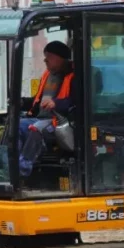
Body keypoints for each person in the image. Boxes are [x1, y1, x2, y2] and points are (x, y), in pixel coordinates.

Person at [17, 40, 75, 176]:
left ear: (59, 58)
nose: (45, 60)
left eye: (48, 57)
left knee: (37, 128)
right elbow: (37, 100)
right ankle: (10, 165)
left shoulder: (74, 77)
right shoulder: (47, 76)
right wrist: (21, 102)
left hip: (59, 121)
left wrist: (56, 103)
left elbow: (76, 101)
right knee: (17, 125)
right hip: (40, 118)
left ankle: (23, 170)